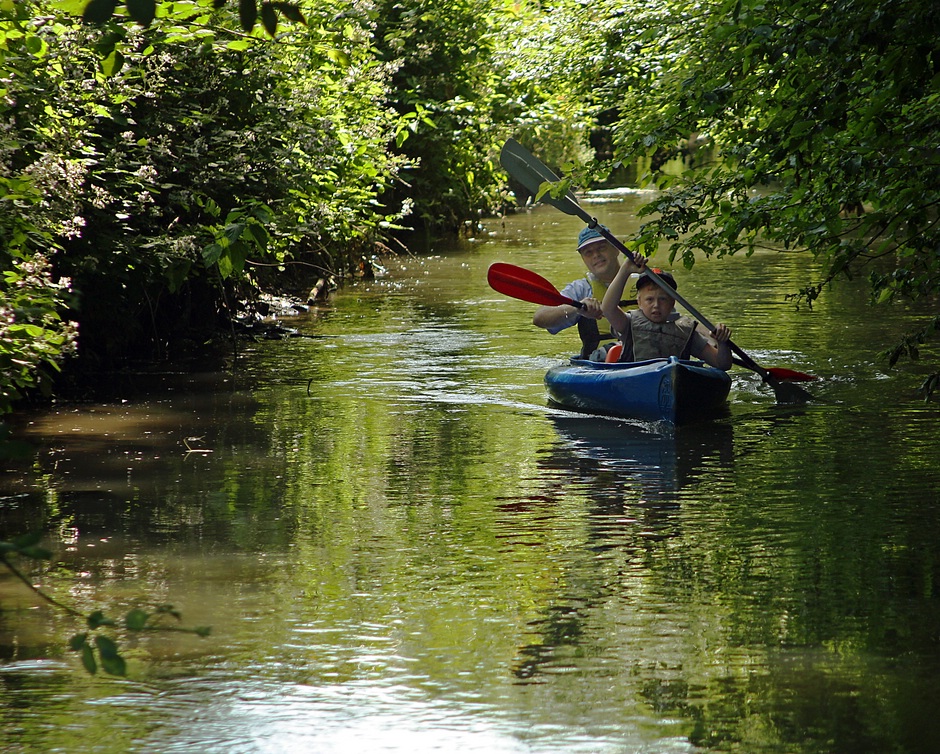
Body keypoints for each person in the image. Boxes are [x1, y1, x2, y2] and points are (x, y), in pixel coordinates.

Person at [601, 254, 733, 370]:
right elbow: (608, 309)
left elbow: (722, 364)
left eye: (663, 299)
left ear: (672, 303)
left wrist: (723, 342)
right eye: (649, 300)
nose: (656, 305)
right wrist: (625, 270)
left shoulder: (686, 332)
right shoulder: (628, 323)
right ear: (639, 302)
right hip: (632, 383)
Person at [532, 225, 622, 358]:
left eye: (602, 248)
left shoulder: (643, 281)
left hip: (644, 360)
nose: (596, 255)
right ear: (583, 258)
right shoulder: (582, 289)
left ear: (616, 248)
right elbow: (540, 318)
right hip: (598, 366)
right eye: (588, 252)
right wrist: (577, 309)